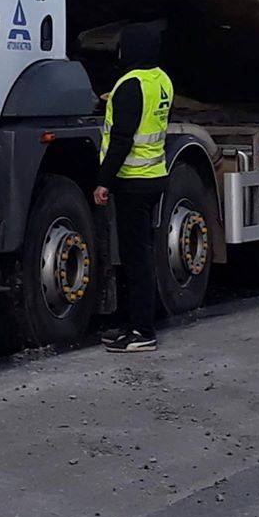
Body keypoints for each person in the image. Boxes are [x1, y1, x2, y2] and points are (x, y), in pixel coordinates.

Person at [94, 21, 174, 352]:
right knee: (141, 253)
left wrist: (103, 182)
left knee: (134, 258)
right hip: (155, 176)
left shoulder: (129, 85)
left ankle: (142, 333)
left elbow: (122, 139)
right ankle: (136, 324)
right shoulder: (161, 79)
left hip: (132, 181)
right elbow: (144, 116)